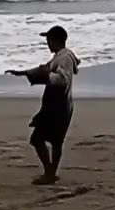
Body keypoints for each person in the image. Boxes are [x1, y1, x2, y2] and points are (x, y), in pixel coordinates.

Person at [7, 25, 80, 185]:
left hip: (57, 107)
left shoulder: (64, 58)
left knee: (38, 139)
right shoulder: (62, 56)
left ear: (56, 40)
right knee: (56, 142)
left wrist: (45, 75)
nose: (47, 44)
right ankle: (51, 173)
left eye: (48, 40)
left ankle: (49, 173)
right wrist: (24, 73)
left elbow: (62, 80)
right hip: (63, 105)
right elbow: (44, 68)